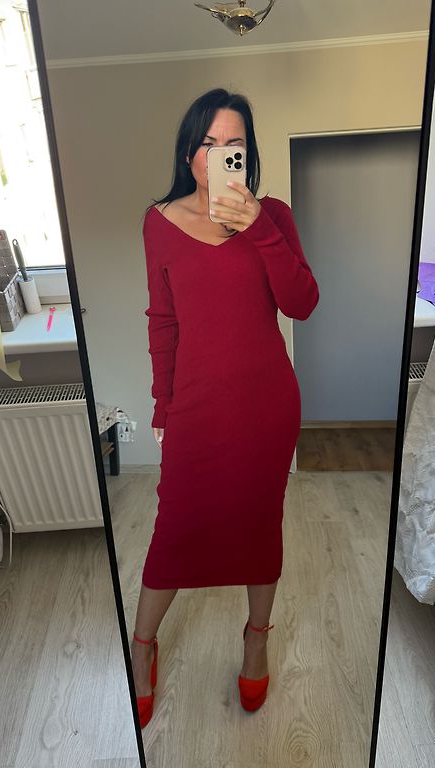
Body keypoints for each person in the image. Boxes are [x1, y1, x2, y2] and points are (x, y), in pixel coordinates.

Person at [131, 87, 319, 728]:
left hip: (267, 406)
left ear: (248, 153)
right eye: (207, 143)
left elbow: (302, 303)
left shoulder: (275, 217)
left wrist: (259, 227)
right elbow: (163, 321)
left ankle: (256, 637)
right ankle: (143, 643)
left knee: (260, 523)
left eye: (232, 144)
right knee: (175, 528)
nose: (218, 154)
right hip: (195, 408)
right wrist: (163, 408)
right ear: (189, 151)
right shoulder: (159, 222)